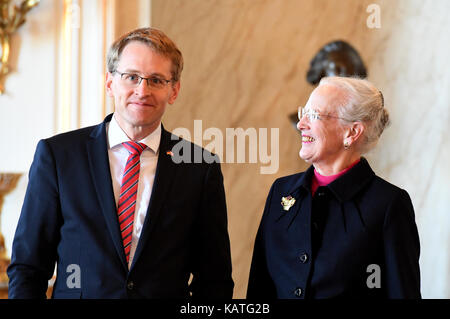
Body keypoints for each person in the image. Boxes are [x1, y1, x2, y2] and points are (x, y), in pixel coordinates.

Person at [7, 27, 234, 299]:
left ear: (174, 91)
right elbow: (28, 268)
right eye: (131, 77)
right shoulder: (58, 156)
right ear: (110, 82)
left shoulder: (200, 167)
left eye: (157, 80)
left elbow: (214, 280)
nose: (142, 90)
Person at [247, 76, 421, 299]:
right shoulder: (281, 192)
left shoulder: (388, 204)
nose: (301, 125)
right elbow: (259, 290)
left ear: (352, 132)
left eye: (314, 115)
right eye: (304, 113)